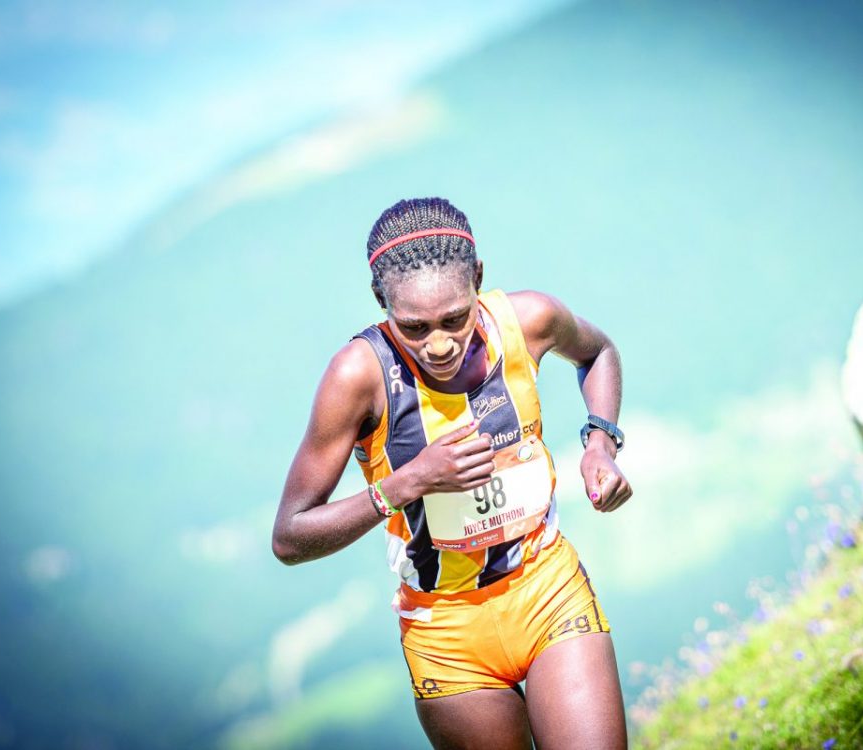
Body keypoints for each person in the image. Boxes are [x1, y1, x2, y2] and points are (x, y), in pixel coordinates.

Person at [271, 197, 632, 750]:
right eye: (413, 326)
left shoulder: (528, 319)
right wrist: (407, 483)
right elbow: (290, 537)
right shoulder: (358, 375)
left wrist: (601, 443)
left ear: (479, 280)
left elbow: (599, 352)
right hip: (446, 633)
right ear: (380, 302)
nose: (438, 344)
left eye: (454, 319)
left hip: (547, 588)